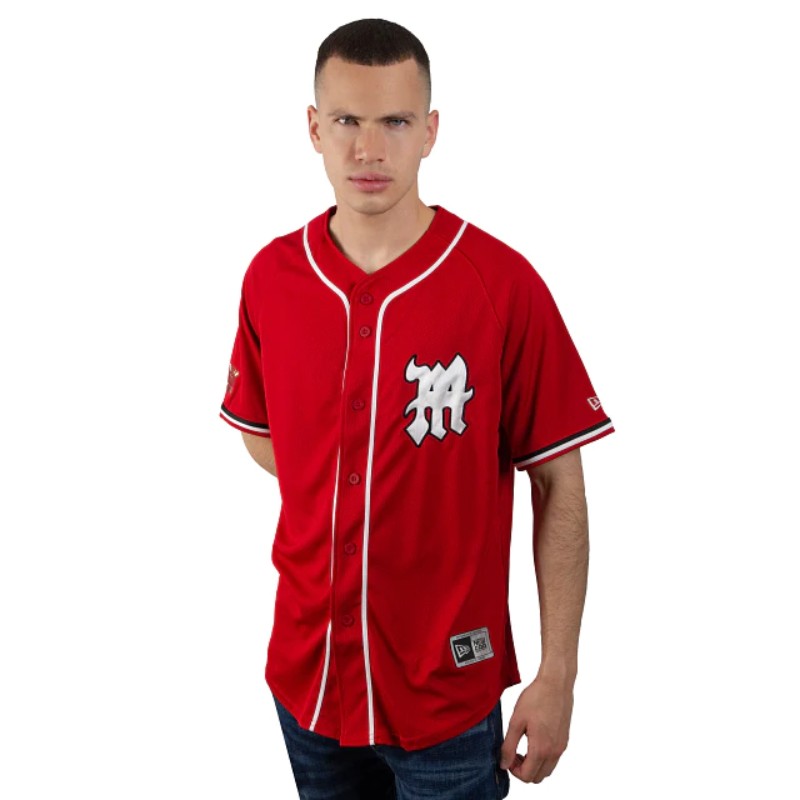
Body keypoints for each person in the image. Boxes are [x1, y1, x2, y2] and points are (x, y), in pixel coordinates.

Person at [219, 17, 615, 799]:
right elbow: (262, 435)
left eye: (395, 122)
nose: (369, 150)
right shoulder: (272, 277)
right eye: (347, 121)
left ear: (430, 131)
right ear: (313, 128)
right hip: (308, 680)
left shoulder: (501, 285)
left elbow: (559, 484)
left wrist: (558, 675)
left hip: (447, 693)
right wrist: (353, 482)